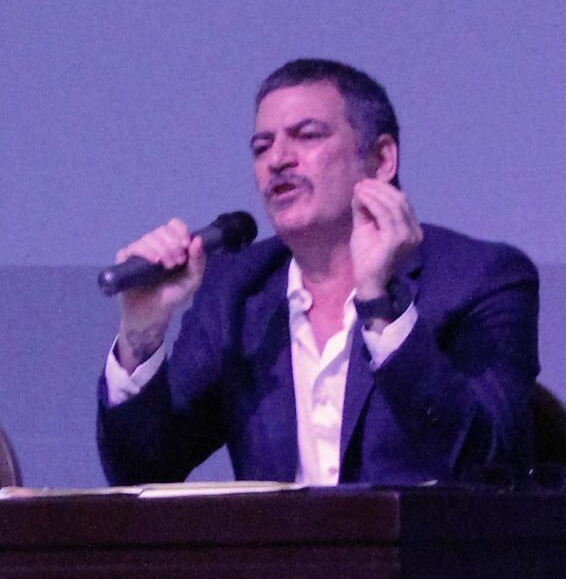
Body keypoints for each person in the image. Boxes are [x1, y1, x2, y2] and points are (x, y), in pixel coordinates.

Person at [96, 59, 538, 487]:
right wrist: (141, 330)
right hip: (281, 543)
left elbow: (492, 467)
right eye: (261, 147)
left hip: (421, 540)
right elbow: (142, 474)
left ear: (382, 158)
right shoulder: (237, 293)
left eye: (306, 136)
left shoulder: (481, 279)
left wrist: (381, 304)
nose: (278, 160)